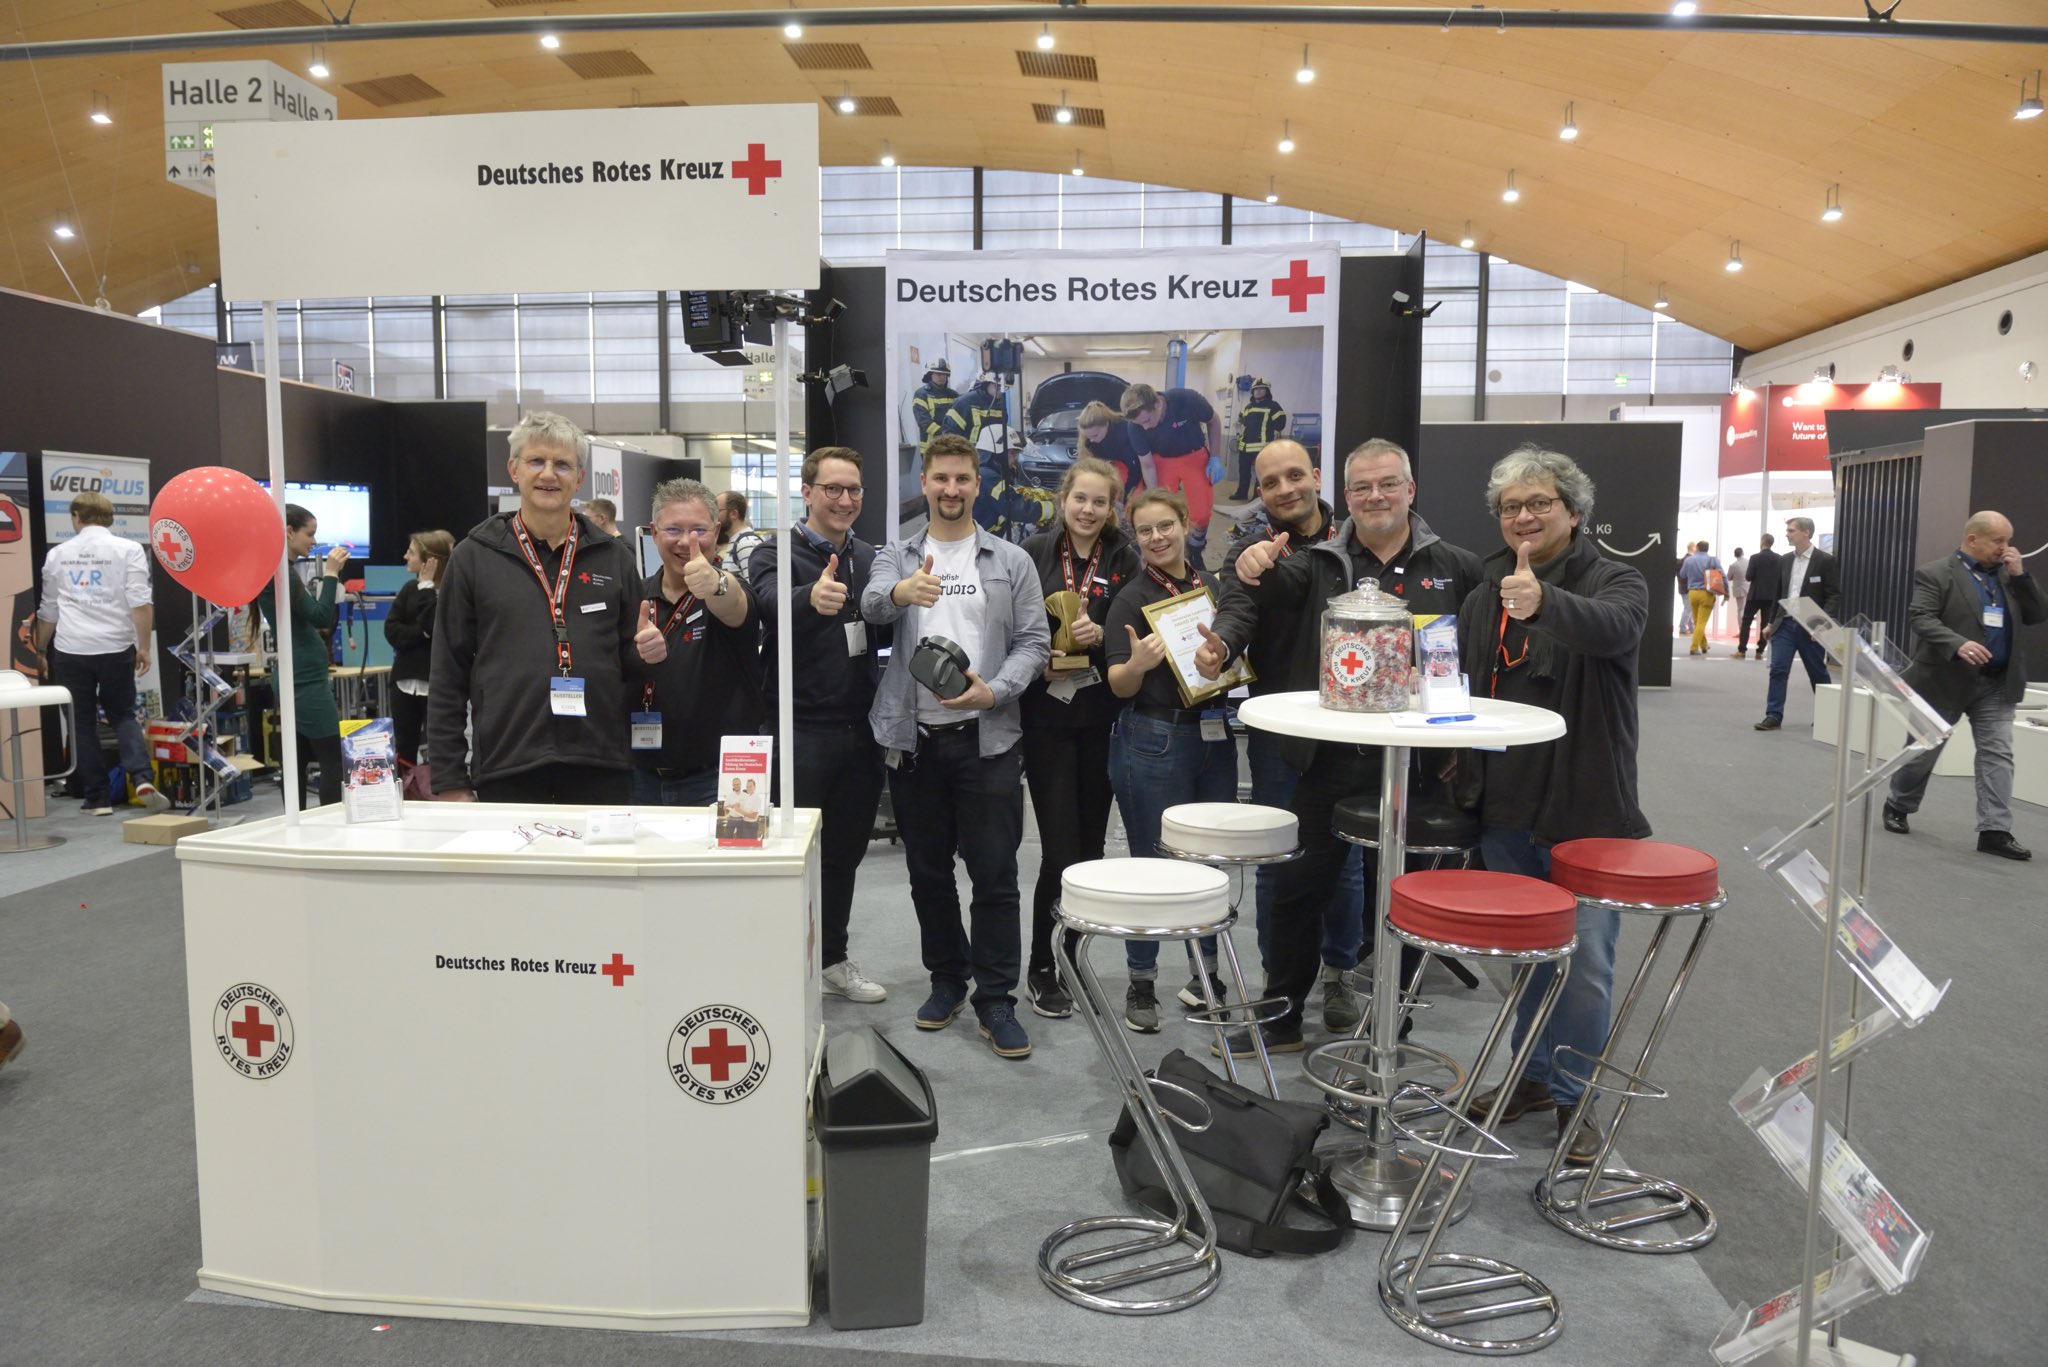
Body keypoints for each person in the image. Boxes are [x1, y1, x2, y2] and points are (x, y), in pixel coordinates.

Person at [1230, 438, 1485, 1054]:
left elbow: (1475, 658)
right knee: (1296, 891)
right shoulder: (1316, 564)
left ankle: (1391, 1028)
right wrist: (1251, 563)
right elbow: (1257, 593)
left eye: (1388, 484)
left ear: (1410, 489)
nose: (1376, 496)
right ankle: (1282, 1016)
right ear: (1344, 496)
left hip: (1420, 768)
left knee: (1407, 901)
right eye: (1363, 487)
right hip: (1328, 761)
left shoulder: (1458, 566)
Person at [1454, 443, 1650, 1167]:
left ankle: (1577, 1095)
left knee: (1587, 965)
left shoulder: (1616, 580)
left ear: (1573, 511)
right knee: (1529, 958)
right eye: (1511, 507)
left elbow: (1616, 629)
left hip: (1586, 810)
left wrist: (1545, 604)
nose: (1524, 516)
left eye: (1539, 503)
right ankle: (1533, 1077)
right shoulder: (1484, 595)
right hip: (1505, 806)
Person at [864, 434, 1050, 1059]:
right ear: (924, 483)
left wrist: (993, 692)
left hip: (986, 741)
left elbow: (1034, 642)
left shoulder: (1010, 560)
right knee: (928, 874)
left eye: (962, 479)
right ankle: (947, 979)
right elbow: (871, 604)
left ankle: (996, 999)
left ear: (977, 484)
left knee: (996, 876)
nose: (951, 489)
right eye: (940, 478)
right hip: (913, 744)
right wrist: (901, 593)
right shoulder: (898, 555)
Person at [427, 411, 666, 804]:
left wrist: (648, 653)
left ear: (580, 478)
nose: (549, 474)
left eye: (563, 464)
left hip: (600, 765)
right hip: (508, 764)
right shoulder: (473, 557)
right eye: (536, 461)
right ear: (514, 470)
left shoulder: (614, 557)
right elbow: (447, 673)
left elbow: (629, 663)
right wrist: (449, 778)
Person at [1217, 439, 1363, 1031]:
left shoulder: (1354, 541)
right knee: (1277, 859)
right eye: (1271, 482)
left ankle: (1339, 974)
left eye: (1295, 475)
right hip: (1279, 732)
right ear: (1260, 491)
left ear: (1316, 476)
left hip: (1350, 731)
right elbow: (1238, 611)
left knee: (1345, 862)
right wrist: (1222, 646)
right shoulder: (1247, 550)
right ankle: (1278, 990)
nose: (1285, 489)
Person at [1103, 487, 1255, 1032]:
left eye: (1165, 525)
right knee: (1151, 864)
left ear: (1186, 523)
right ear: (1135, 537)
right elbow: (1118, 684)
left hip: (1214, 736)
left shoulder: (1212, 586)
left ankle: (1204, 977)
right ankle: (1141, 983)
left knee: (1208, 865)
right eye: (1145, 530)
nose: (1157, 537)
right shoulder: (1130, 599)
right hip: (1153, 738)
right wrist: (1138, 665)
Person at [752, 446, 890, 1005]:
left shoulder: (869, 555)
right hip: (797, 731)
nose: (844, 499)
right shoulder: (775, 551)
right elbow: (765, 603)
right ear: (807, 492)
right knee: (789, 855)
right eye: (832, 488)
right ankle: (777, 963)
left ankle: (831, 957)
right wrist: (809, 596)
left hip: (860, 732)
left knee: (843, 856)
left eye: (853, 489)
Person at [1018, 457, 1139, 1019]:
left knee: (1091, 852)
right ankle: (1041, 966)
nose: (1088, 510)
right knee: (1060, 852)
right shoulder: (1033, 553)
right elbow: (1011, 628)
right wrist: (1038, 659)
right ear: (1063, 498)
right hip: (1047, 720)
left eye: (1100, 501)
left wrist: (1102, 631)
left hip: (1102, 719)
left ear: (1112, 508)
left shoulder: (1125, 557)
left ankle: (1073, 959)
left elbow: (1136, 626)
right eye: (1080, 498)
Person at [1883, 512, 2047, 860]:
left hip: (1997, 683)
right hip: (1944, 680)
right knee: (1923, 751)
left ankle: (1994, 830)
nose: (2006, 548)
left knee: (1997, 754)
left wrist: (2021, 576)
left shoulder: (2010, 576)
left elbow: (2037, 615)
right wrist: (1957, 643)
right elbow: (1921, 618)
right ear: (1973, 540)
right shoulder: (1935, 573)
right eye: (1998, 541)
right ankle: (1899, 803)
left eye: (2008, 541)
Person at [34, 491, 167, 815]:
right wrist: (144, 647)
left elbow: (49, 610)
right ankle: (142, 778)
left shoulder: (58, 555)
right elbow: (140, 603)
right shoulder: (129, 550)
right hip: (115, 647)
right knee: (123, 715)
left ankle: (97, 798)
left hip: (71, 649)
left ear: (77, 517)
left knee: (81, 723)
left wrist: (39, 649)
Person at [632, 479, 760, 807]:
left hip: (722, 779)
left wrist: (714, 584)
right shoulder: (635, 597)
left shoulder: (733, 589)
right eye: (674, 529)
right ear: (654, 532)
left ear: (716, 532)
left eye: (699, 530)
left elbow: (733, 602)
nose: (687, 541)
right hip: (641, 777)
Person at [258, 505, 350, 808]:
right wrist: (332, 574)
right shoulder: (281, 574)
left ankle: (296, 823)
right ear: (289, 531)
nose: (314, 541)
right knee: (332, 759)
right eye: (309, 534)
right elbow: (321, 616)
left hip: (296, 675)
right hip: (305, 680)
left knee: (295, 760)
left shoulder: (278, 572)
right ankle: (328, 824)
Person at [1122, 382, 1224, 561]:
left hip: (1194, 456)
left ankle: (1195, 551)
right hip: (1161, 461)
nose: (1145, 428)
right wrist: (1154, 495)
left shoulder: (1186, 399)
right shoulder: (1134, 426)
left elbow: (1213, 420)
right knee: (1161, 510)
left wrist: (1215, 457)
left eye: (1147, 420)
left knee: (1200, 514)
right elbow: (1147, 464)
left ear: (1157, 404)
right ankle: (1168, 552)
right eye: (1140, 424)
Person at [1755, 516, 1840, 731]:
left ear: (1806, 533)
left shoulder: (1825, 561)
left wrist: (1823, 624)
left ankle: (1828, 716)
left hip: (1811, 627)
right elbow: (1779, 594)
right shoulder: (1784, 560)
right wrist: (1771, 623)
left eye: (1791, 530)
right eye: (1787, 530)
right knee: (1778, 669)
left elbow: (1834, 595)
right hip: (1784, 624)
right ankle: (1773, 715)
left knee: (1817, 672)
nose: (1787, 534)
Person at [383, 530, 453, 767]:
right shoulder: (408, 589)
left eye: (411, 553)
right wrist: (422, 633)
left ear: (429, 560)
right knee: (404, 746)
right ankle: (408, 787)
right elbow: (392, 631)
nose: (405, 556)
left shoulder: (451, 591)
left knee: (440, 746)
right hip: (404, 681)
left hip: (437, 683)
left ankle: (435, 788)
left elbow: (435, 625)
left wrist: (426, 587)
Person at [973, 425, 1056, 545]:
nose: (1015, 459)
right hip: (981, 543)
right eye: (1012, 453)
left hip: (987, 539)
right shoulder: (988, 477)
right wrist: (1054, 508)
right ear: (998, 452)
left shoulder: (988, 473)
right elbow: (1016, 508)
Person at [1076, 399, 1147, 502]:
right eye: (1088, 437)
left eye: (1095, 435)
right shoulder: (1088, 439)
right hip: (1113, 465)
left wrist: (1123, 498)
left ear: (1106, 425)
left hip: (1137, 464)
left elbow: (1136, 471)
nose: (1091, 440)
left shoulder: (1124, 435)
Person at [1229, 377, 1288, 501]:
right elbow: (1245, 423)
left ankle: (1257, 497)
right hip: (1245, 446)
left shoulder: (1273, 406)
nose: (1258, 391)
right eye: (1256, 389)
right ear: (1252, 391)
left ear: (1267, 391)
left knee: (1260, 474)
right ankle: (1241, 493)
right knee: (1243, 472)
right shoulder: (1248, 407)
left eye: (1261, 389)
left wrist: (1270, 426)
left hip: (1262, 447)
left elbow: (1280, 424)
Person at [1739, 532, 1781, 660]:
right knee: (1765, 623)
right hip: (1771, 596)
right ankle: (1760, 651)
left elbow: (1749, 576)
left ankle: (1742, 650)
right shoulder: (1779, 558)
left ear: (1762, 542)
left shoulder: (1754, 557)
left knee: (1746, 621)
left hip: (1755, 595)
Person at [940, 371, 1007, 449]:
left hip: (992, 453)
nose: (1001, 391)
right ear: (986, 383)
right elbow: (949, 434)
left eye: (1004, 387)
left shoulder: (1000, 405)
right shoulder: (964, 402)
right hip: (967, 453)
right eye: (997, 386)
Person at [1678, 540, 1723, 655]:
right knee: (1701, 622)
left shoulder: (1689, 560)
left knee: (1697, 621)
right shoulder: (1713, 560)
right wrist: (1726, 591)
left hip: (1692, 593)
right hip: (1707, 593)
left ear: (1697, 548)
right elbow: (1722, 575)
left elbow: (1682, 574)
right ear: (1707, 549)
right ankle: (1694, 647)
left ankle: (1704, 645)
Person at [716, 490, 766, 587]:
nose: (714, 517)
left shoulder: (746, 543)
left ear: (734, 514)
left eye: (718, 511)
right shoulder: (737, 541)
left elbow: (754, 587)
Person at [911, 357, 956, 452]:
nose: (942, 377)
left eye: (944, 374)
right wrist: (945, 434)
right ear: (930, 374)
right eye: (938, 374)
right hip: (930, 448)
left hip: (950, 446)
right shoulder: (921, 394)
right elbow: (924, 421)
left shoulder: (953, 394)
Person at [1727, 547, 1749, 653]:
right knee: (1747, 610)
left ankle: (1742, 630)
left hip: (1739, 589)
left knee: (1740, 610)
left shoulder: (1733, 565)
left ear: (1735, 555)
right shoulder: (1749, 562)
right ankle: (1744, 629)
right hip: (1749, 587)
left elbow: (1728, 577)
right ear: (1743, 553)